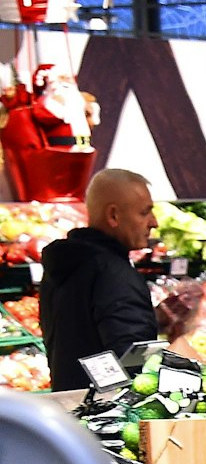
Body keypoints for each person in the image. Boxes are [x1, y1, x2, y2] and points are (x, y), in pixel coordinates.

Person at [40, 168, 160, 392]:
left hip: (71, 405)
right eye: (145, 213)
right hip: (107, 417)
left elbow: (82, 333)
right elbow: (133, 363)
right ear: (113, 216)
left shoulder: (64, 266)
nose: (154, 222)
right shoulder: (114, 274)